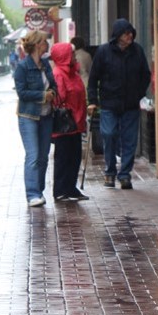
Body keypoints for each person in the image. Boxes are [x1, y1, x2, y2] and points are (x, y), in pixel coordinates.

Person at [87, 19, 152, 190]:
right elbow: (94, 78)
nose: (129, 36)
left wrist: (139, 93)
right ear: (117, 35)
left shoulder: (137, 51)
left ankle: (124, 174)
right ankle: (109, 172)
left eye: (131, 33)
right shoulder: (104, 52)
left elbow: (145, 74)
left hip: (130, 103)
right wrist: (93, 100)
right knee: (108, 134)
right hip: (109, 102)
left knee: (129, 140)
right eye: (126, 33)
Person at [13, 30, 57, 207]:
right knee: (33, 155)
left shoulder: (46, 64)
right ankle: (32, 194)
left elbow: (53, 84)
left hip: (46, 115)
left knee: (44, 156)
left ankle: (38, 190)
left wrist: (53, 92)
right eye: (45, 42)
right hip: (28, 116)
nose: (47, 44)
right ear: (38, 44)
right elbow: (22, 93)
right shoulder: (23, 67)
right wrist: (42, 96)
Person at [49, 42, 90, 201]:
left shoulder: (74, 73)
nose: (74, 57)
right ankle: (60, 190)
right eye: (71, 54)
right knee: (63, 157)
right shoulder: (59, 74)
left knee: (74, 156)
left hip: (76, 122)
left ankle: (70, 188)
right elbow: (59, 99)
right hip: (66, 123)